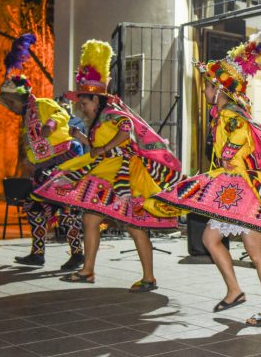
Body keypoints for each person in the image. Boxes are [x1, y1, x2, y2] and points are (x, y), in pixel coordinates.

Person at [146, 27, 261, 326]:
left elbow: (238, 145)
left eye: (208, 86)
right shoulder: (226, 116)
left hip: (244, 192)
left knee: (255, 252)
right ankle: (235, 290)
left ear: (219, 89)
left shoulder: (231, 116)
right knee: (210, 238)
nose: (204, 91)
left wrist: (224, 161)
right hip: (233, 191)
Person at [33, 39, 183, 291]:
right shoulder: (98, 121)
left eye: (84, 102)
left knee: (135, 226)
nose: (82, 107)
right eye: (81, 103)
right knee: (90, 219)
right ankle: (88, 270)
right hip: (104, 175)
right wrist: (85, 140)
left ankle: (149, 277)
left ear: (97, 100)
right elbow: (101, 150)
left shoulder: (113, 114)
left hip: (124, 176)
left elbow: (127, 133)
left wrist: (101, 148)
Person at [0, 34, 85, 271]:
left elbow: (62, 115)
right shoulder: (26, 119)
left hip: (65, 160)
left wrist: (51, 126)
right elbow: (35, 145)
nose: (10, 106)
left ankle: (78, 255)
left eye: (11, 100)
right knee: (35, 208)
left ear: (20, 97)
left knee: (67, 210)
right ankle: (37, 254)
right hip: (45, 168)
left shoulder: (43, 104)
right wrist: (29, 160)